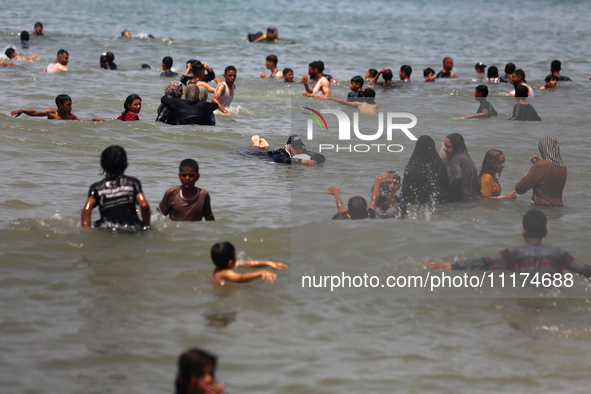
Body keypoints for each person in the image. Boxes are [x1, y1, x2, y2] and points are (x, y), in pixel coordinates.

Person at [424, 210, 591, 278]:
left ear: (523, 231)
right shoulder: (558, 254)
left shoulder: (513, 254)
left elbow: (482, 263)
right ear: (546, 232)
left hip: (525, 298)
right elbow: (584, 270)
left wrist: (446, 265)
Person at [81, 145, 150, 229]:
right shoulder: (133, 183)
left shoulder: (96, 188)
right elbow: (144, 205)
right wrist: (146, 226)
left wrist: (86, 231)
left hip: (107, 228)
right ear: (126, 164)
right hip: (131, 226)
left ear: (103, 165)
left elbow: (86, 210)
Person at [515, 134, 566, 207]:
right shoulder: (563, 168)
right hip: (557, 211)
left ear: (542, 148)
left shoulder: (540, 166)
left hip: (540, 209)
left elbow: (520, 189)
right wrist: (538, 164)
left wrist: (527, 175)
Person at [401, 135, 449, 204]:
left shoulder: (411, 169)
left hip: (415, 207)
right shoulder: (440, 168)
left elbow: (404, 194)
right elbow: (445, 193)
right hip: (437, 206)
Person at [211, 242, 287, 285]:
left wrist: (268, 263)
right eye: (235, 255)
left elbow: (247, 264)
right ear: (230, 262)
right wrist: (261, 273)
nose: (236, 257)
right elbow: (242, 278)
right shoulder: (225, 273)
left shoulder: (219, 268)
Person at [10, 94, 105, 121]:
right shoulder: (51, 113)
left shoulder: (71, 116)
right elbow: (35, 113)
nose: (71, 107)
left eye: (71, 104)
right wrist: (22, 110)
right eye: (68, 105)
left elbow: (82, 123)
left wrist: (94, 120)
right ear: (60, 105)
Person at [443, 133, 480, 202]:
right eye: (445, 145)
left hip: (464, 200)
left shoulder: (456, 158)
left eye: (448, 147)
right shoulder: (466, 157)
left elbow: (457, 176)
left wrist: (446, 190)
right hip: (474, 199)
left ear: (456, 147)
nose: (444, 149)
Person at [252, 134, 325, 166]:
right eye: (296, 148)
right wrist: (304, 162)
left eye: (300, 147)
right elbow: (281, 160)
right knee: (257, 150)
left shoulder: (301, 150)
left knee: (265, 147)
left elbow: (321, 157)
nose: (299, 150)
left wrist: (315, 161)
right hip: (260, 155)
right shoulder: (281, 153)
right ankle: (256, 143)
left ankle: (263, 145)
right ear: (289, 148)